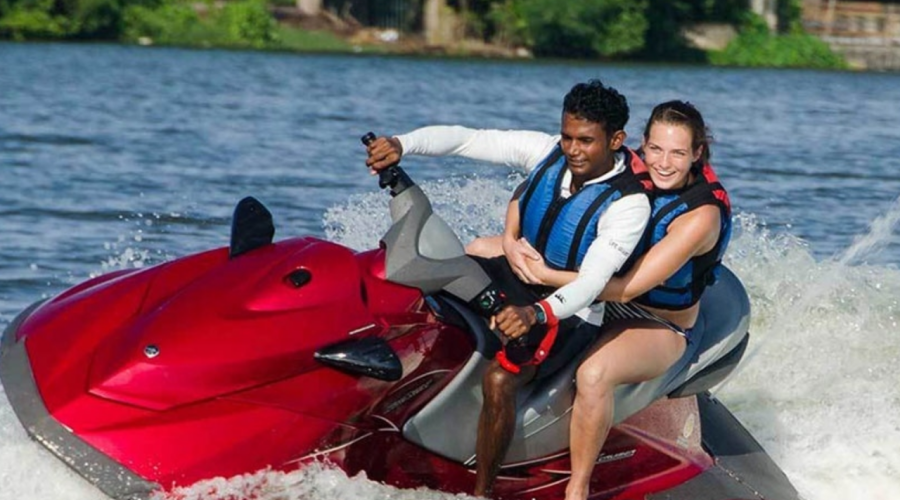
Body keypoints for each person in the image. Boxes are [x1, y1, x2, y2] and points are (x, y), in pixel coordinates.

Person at [365, 80, 652, 498]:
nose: (572, 150)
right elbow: (469, 140)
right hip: (514, 278)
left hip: (566, 313)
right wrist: (401, 144)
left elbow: (591, 285)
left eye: (586, 141)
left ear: (616, 139)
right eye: (568, 136)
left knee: (500, 380)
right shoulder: (547, 151)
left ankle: (482, 490)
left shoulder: (628, 204)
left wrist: (535, 314)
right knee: (427, 280)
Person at [477, 100, 732, 500]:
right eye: (656, 150)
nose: (664, 163)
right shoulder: (622, 163)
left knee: (593, 375)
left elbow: (629, 287)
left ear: (697, 154)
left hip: (656, 321)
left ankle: (577, 487)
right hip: (594, 288)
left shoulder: (700, 216)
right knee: (478, 249)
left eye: (678, 153)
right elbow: (535, 189)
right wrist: (511, 241)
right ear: (641, 145)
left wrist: (546, 277)